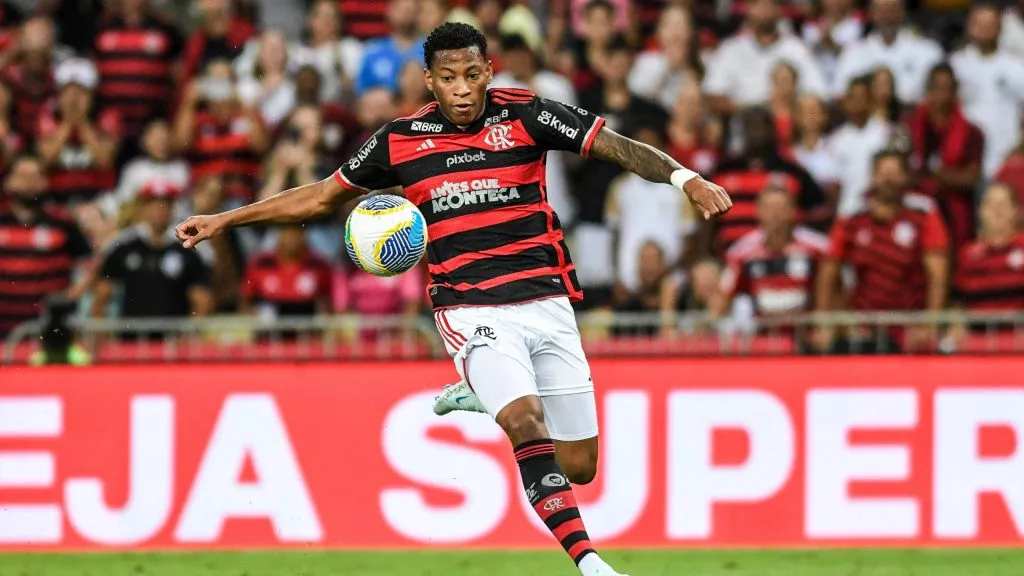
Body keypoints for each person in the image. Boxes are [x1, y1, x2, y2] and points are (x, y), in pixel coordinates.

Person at [176, 22, 730, 576]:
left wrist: (686, 179)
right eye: (448, 78)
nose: (462, 88)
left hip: (546, 299)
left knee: (580, 466)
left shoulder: (527, 113)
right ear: (429, 81)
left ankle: (479, 394)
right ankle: (590, 563)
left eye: (471, 75)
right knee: (526, 421)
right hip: (470, 307)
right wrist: (227, 218)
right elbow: (321, 197)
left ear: (488, 71)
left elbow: (616, 146)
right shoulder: (399, 139)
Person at [814, 150, 949, 354]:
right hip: (863, 325)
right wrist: (824, 323)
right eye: (883, 173)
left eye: (895, 173)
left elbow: (938, 274)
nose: (888, 180)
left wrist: (930, 323)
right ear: (872, 177)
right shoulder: (853, 216)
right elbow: (829, 271)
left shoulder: (923, 213)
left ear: (906, 178)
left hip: (909, 324)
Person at [907, 63, 984, 250]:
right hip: (915, 211)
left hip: (954, 215)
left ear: (955, 92)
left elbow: (971, 177)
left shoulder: (972, 133)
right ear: (927, 90)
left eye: (947, 88)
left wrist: (932, 174)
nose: (942, 94)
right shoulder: (908, 126)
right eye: (936, 87)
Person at [950, 4, 1024, 180]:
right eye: (979, 24)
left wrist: (1019, 148)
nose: (984, 29)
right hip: (964, 158)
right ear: (969, 26)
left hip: (1005, 153)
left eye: (989, 24)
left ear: (1000, 28)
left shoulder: (1016, 66)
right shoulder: (955, 64)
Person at [831, 0, 943, 104]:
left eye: (892, 9)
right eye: (881, 10)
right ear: (871, 14)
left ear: (902, 12)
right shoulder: (854, 52)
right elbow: (841, 93)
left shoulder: (927, 50)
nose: (887, 16)